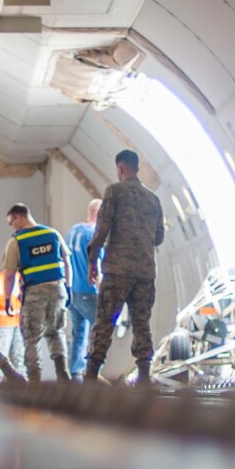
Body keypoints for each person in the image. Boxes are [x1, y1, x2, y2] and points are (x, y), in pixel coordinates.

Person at [83, 150, 165, 385]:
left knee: (105, 321)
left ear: (120, 168)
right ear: (136, 167)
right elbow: (159, 237)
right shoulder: (153, 199)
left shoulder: (114, 192)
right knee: (142, 323)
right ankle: (144, 376)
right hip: (145, 272)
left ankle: (91, 375)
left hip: (118, 270)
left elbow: (102, 229)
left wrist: (92, 261)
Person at [2, 203, 72, 382]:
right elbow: (67, 261)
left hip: (35, 293)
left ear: (19, 217)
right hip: (58, 289)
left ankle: (35, 381)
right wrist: (69, 288)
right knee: (56, 332)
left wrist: (8, 298)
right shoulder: (52, 233)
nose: (12, 226)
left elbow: (9, 275)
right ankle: (64, 376)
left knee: (31, 337)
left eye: (11, 222)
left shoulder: (16, 241)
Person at [63, 200, 101, 378]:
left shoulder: (73, 230)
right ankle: (94, 371)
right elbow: (96, 266)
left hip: (72, 291)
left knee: (79, 333)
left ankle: (76, 373)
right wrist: (102, 288)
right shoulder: (94, 234)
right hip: (88, 290)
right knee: (100, 330)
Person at [0, 267, 26, 378]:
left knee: (19, 357)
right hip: (1, 325)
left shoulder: (20, 278)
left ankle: (22, 386)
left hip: (18, 324)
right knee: (0, 358)